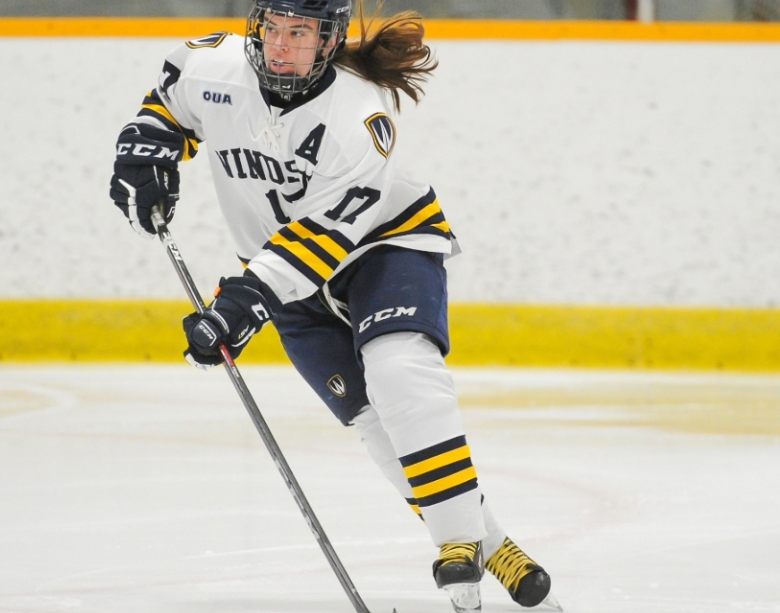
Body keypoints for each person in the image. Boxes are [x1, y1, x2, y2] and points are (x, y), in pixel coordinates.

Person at [108, 1, 556, 610]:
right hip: (279, 273)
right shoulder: (212, 67)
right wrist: (148, 148)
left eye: (301, 32)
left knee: (399, 369)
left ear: (328, 41)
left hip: (382, 243)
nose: (281, 45)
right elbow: (169, 103)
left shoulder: (360, 117)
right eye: (273, 27)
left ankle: (456, 541)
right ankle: (488, 543)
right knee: (374, 423)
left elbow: (323, 237)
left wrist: (245, 301)